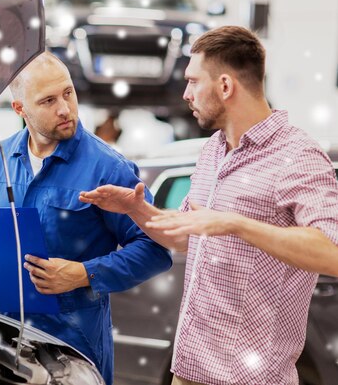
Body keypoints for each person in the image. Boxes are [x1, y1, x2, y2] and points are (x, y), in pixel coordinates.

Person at [0, 51, 172, 384]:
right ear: (20, 109)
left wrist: (84, 274)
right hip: (6, 334)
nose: (65, 108)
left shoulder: (108, 168)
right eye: (48, 100)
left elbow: (155, 250)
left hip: (76, 346)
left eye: (68, 93)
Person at [79, 26, 338, 385]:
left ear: (226, 86)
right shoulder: (212, 150)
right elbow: (189, 235)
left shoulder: (298, 157)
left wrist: (237, 224)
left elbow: (332, 253)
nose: (185, 94)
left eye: (193, 81)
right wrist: (138, 210)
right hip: (188, 371)